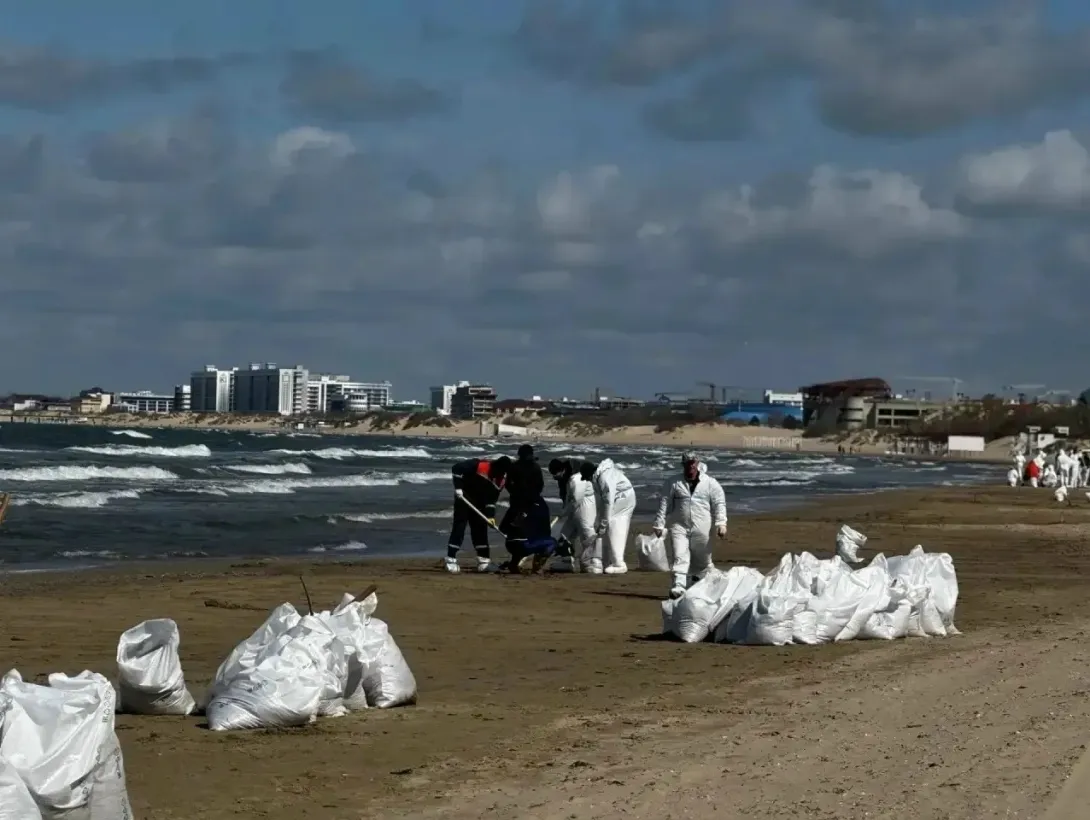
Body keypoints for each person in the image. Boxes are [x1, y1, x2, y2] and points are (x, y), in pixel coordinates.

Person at [654, 452, 728, 598]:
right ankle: (678, 586)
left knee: (702, 560)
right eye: (688, 463)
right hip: (679, 526)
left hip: (702, 527)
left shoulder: (710, 483)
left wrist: (721, 523)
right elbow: (664, 503)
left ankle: (701, 584)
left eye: (693, 462)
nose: (691, 466)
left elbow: (719, 503)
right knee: (680, 555)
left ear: (698, 463)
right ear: (683, 465)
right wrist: (659, 523)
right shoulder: (673, 482)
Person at [446, 455, 511, 573]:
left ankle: (484, 561)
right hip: (464, 498)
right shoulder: (479, 465)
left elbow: (491, 500)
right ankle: (451, 559)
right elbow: (456, 468)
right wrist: (458, 488)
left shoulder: (500, 480)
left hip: (480, 504)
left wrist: (490, 516)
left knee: (480, 529)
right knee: (459, 527)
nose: (499, 475)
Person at [498, 444, 546, 572]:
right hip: (530, 504)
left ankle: (516, 560)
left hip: (517, 504)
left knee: (510, 530)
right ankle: (533, 562)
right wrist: (534, 497)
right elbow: (540, 485)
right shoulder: (535, 467)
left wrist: (514, 493)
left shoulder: (514, 467)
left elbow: (508, 484)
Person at [585, 458, 636, 574]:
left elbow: (608, 501)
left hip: (623, 500)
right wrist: (599, 520)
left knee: (614, 527)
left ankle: (619, 564)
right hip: (622, 499)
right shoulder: (599, 477)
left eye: (586, 478)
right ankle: (607, 560)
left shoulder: (604, 478)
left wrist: (603, 523)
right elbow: (601, 502)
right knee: (609, 528)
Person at [549, 458, 599, 573]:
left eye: (555, 474)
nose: (554, 477)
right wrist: (565, 508)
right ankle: (567, 561)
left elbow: (576, 499)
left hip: (585, 506)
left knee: (586, 532)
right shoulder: (564, 478)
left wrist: (564, 511)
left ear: (561, 470)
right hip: (574, 509)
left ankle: (593, 562)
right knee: (566, 534)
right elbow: (566, 495)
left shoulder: (577, 478)